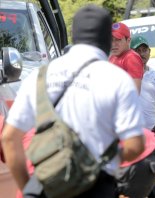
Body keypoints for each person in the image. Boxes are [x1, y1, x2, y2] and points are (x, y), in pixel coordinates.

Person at [1, 4, 145, 197]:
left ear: (74, 36)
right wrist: (105, 161)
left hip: (47, 185)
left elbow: (9, 139)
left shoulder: (39, 76)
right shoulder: (117, 79)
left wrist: (28, 188)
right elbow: (135, 145)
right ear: (105, 39)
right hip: (97, 187)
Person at [115, 36, 155, 198]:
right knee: (130, 172)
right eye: (138, 50)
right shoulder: (123, 73)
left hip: (151, 133)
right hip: (129, 133)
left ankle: (152, 190)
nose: (142, 53)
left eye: (145, 50)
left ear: (149, 52)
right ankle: (152, 191)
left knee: (149, 169)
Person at [109, 22, 144, 93]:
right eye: (111, 40)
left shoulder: (131, 57)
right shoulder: (112, 57)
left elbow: (135, 93)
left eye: (118, 40)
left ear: (128, 41)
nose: (113, 44)